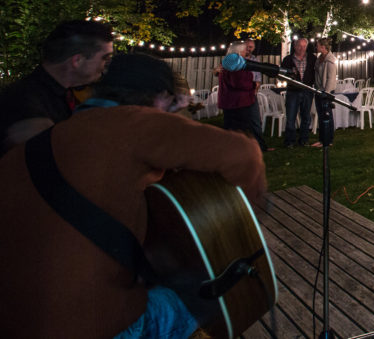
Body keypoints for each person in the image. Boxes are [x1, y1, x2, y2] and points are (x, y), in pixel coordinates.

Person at [0, 52, 267, 338]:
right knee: (208, 292)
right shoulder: (134, 122)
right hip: (90, 325)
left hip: (14, 320)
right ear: (161, 97)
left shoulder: (38, 145)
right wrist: (243, 226)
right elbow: (243, 153)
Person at [0, 20, 114, 156]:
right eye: (105, 58)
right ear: (77, 60)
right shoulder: (24, 103)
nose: (106, 66)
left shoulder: (66, 93)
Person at [218, 41, 267, 152]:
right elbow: (239, 82)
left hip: (232, 100)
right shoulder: (235, 65)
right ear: (239, 52)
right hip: (239, 100)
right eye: (245, 49)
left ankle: (232, 148)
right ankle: (244, 148)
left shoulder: (228, 62)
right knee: (241, 126)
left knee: (232, 126)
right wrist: (253, 84)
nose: (246, 51)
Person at [281, 37, 316, 148]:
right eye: (300, 46)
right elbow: (282, 75)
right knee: (291, 117)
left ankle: (304, 140)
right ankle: (290, 141)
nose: (302, 48)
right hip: (293, 91)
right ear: (295, 46)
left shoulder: (312, 58)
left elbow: (315, 73)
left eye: (304, 46)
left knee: (306, 117)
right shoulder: (288, 60)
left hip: (307, 91)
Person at [313, 38, 339, 145]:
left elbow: (331, 78)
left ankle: (328, 140)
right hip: (318, 90)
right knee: (321, 115)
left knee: (327, 115)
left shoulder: (330, 60)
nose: (316, 47)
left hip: (325, 92)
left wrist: (326, 93)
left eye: (318, 45)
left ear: (323, 47)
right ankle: (322, 139)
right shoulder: (319, 58)